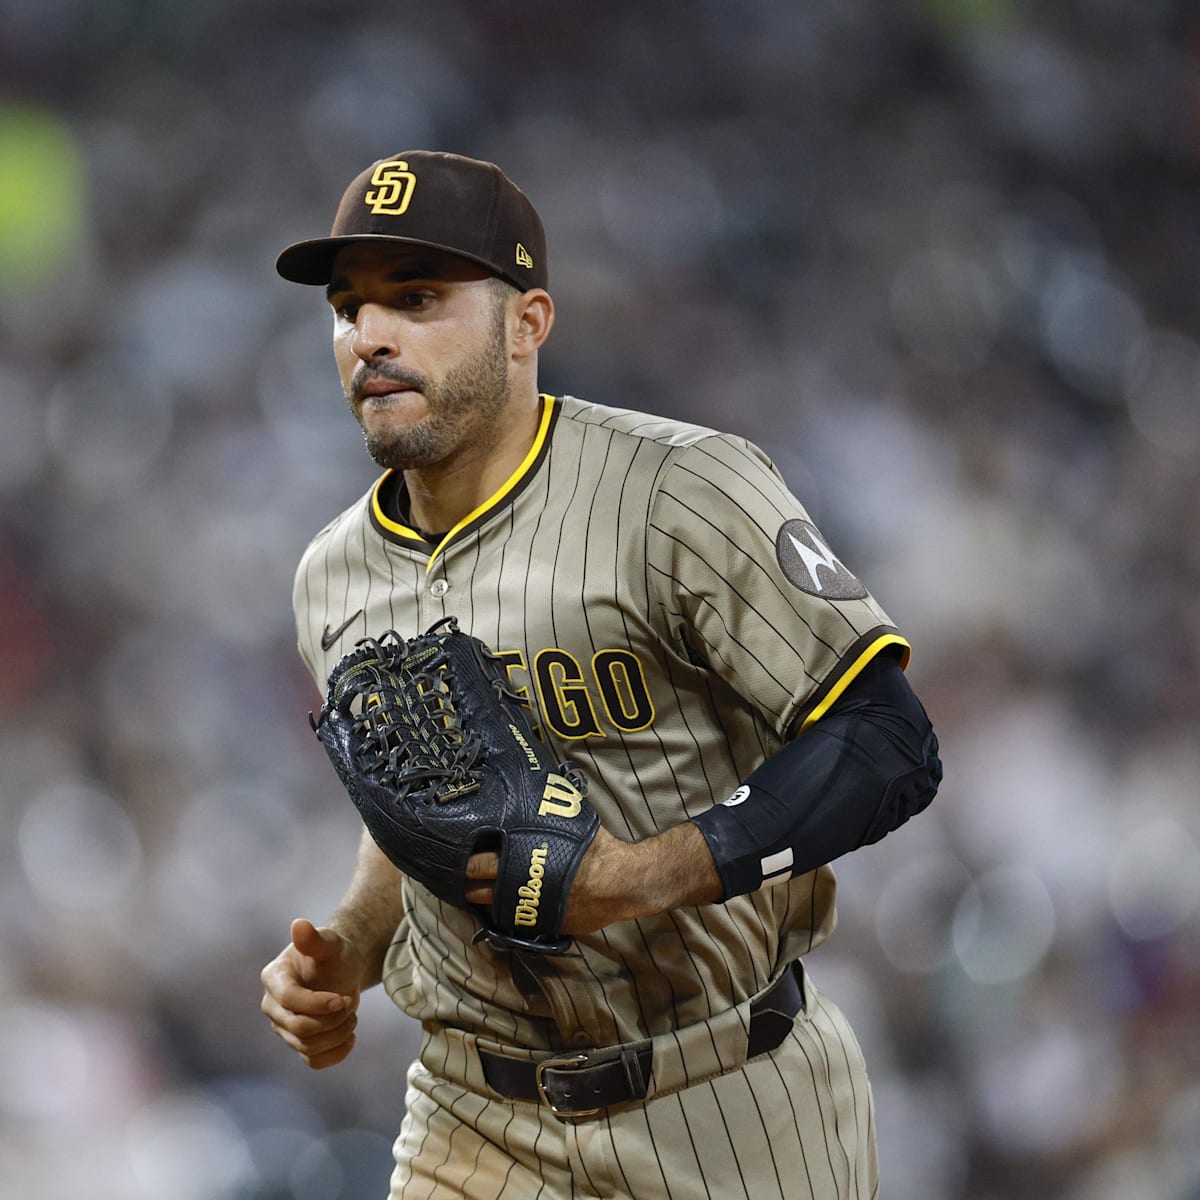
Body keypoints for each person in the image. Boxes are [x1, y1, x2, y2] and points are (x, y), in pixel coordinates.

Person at [260, 150, 942, 1200]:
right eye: (349, 307)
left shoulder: (679, 488)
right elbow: (430, 795)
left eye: (419, 296)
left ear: (527, 323)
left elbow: (888, 740)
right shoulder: (331, 574)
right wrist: (351, 941)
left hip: (727, 1097)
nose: (370, 336)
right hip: (472, 1117)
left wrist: (641, 876)